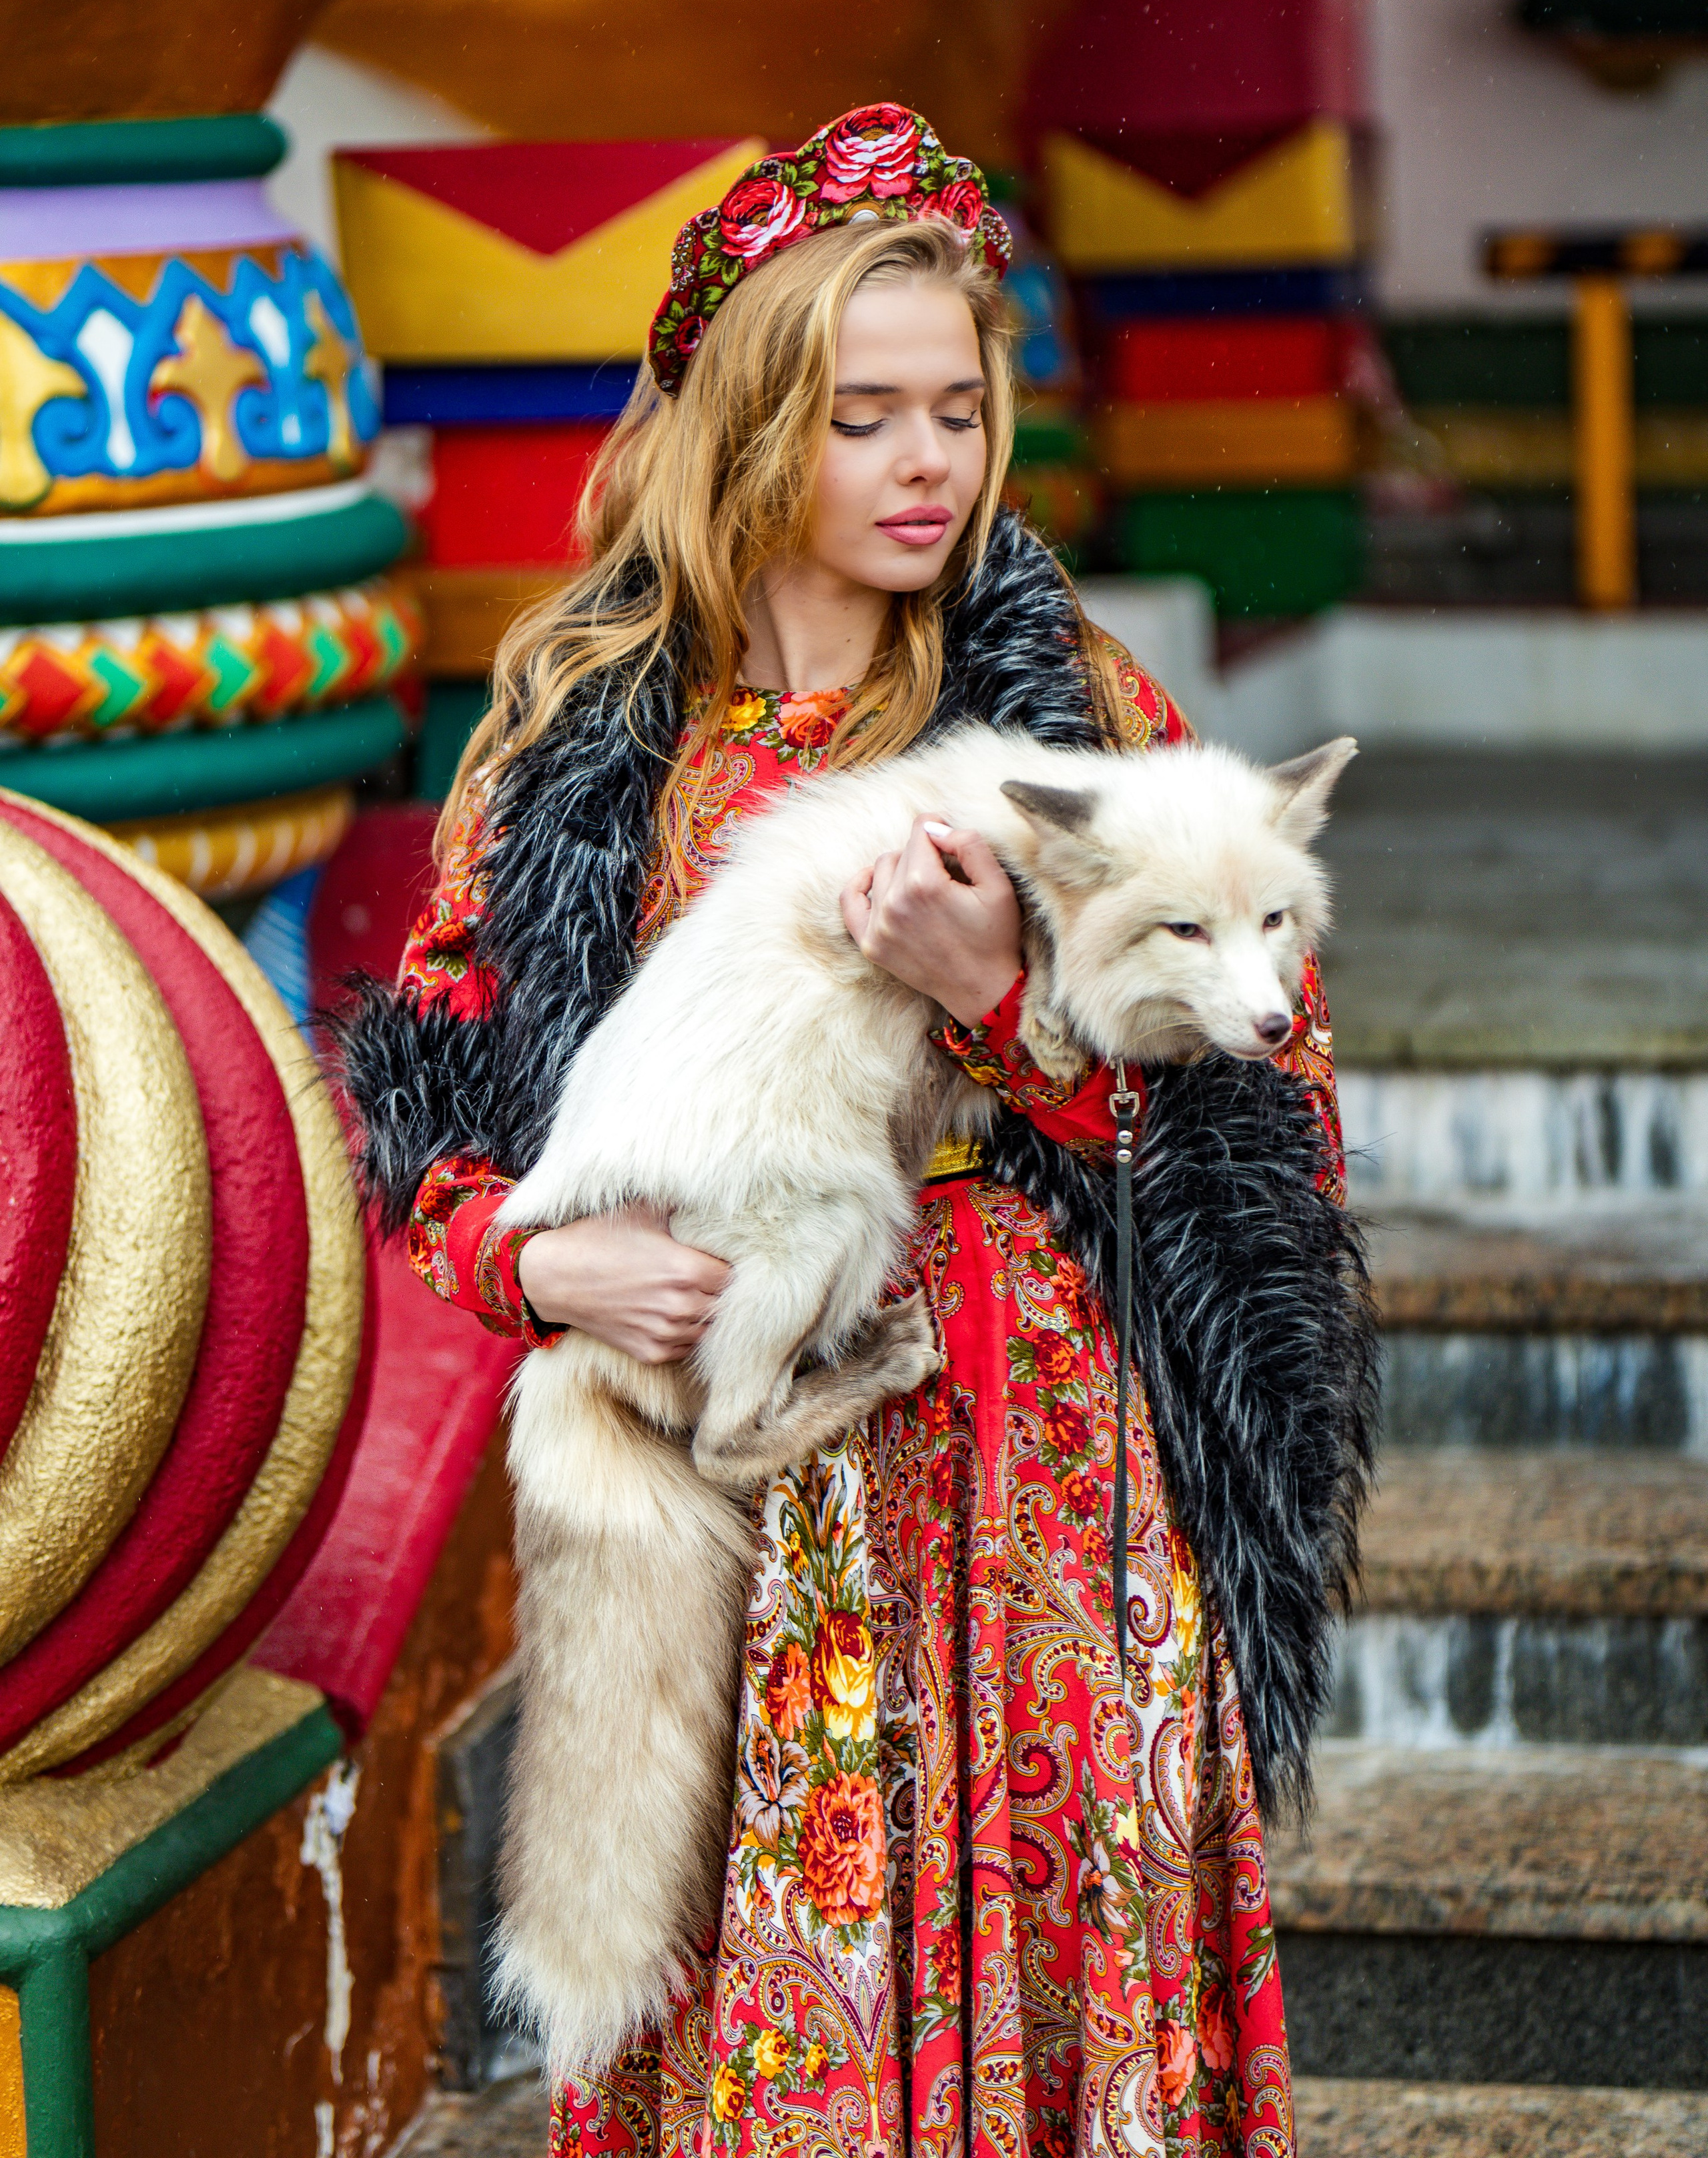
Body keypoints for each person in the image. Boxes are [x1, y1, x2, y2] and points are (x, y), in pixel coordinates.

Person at [340, 106, 1370, 2158]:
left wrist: (1006, 1002)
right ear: (746, 427)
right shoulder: (583, 732)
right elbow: (444, 1093)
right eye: (865, 415)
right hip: (732, 1467)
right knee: (761, 1987)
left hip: (1034, 1442)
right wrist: (529, 1260)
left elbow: (1285, 1116)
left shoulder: (1074, 711)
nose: (929, 465)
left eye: (960, 412)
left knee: (1051, 1953)